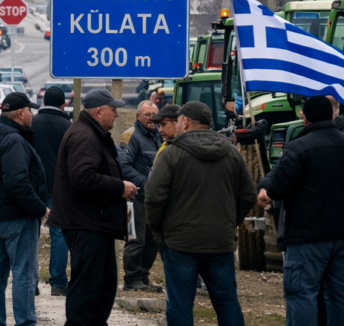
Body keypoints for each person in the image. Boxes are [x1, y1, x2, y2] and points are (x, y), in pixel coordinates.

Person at [257, 96, 344, 326]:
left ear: (305, 117)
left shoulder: (299, 146)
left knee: (302, 293)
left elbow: (281, 184)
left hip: (308, 236)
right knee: (343, 293)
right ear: (333, 114)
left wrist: (265, 193)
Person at [145, 101, 255, 326]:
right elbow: (248, 195)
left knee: (180, 304)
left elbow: (154, 197)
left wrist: (159, 230)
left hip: (180, 242)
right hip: (220, 240)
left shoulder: (171, 153)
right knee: (227, 302)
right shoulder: (232, 153)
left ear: (184, 122)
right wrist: (230, 221)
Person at [51, 88, 133, 326]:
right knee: (87, 288)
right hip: (86, 223)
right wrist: (119, 187)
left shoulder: (92, 133)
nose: (117, 115)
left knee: (103, 286)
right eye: (113, 109)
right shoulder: (85, 136)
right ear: (99, 111)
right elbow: (82, 177)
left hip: (96, 223)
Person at [0, 92, 48, 326]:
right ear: (20, 113)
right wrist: (40, 209)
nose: (32, 115)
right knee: (24, 275)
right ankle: (25, 323)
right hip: (16, 217)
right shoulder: (14, 140)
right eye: (29, 111)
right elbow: (16, 182)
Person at [31, 86, 72, 296]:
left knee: (31, 233)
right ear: (63, 104)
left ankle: (31, 282)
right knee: (59, 233)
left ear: (43, 101)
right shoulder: (68, 125)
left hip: (34, 187)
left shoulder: (31, 123)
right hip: (59, 187)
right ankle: (58, 283)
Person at [119, 100, 162, 292]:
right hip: (134, 199)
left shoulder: (159, 136)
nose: (152, 119)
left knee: (153, 241)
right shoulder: (130, 136)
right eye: (148, 115)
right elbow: (124, 166)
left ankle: (144, 276)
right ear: (138, 116)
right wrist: (146, 183)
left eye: (155, 115)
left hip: (154, 201)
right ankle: (132, 279)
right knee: (135, 240)